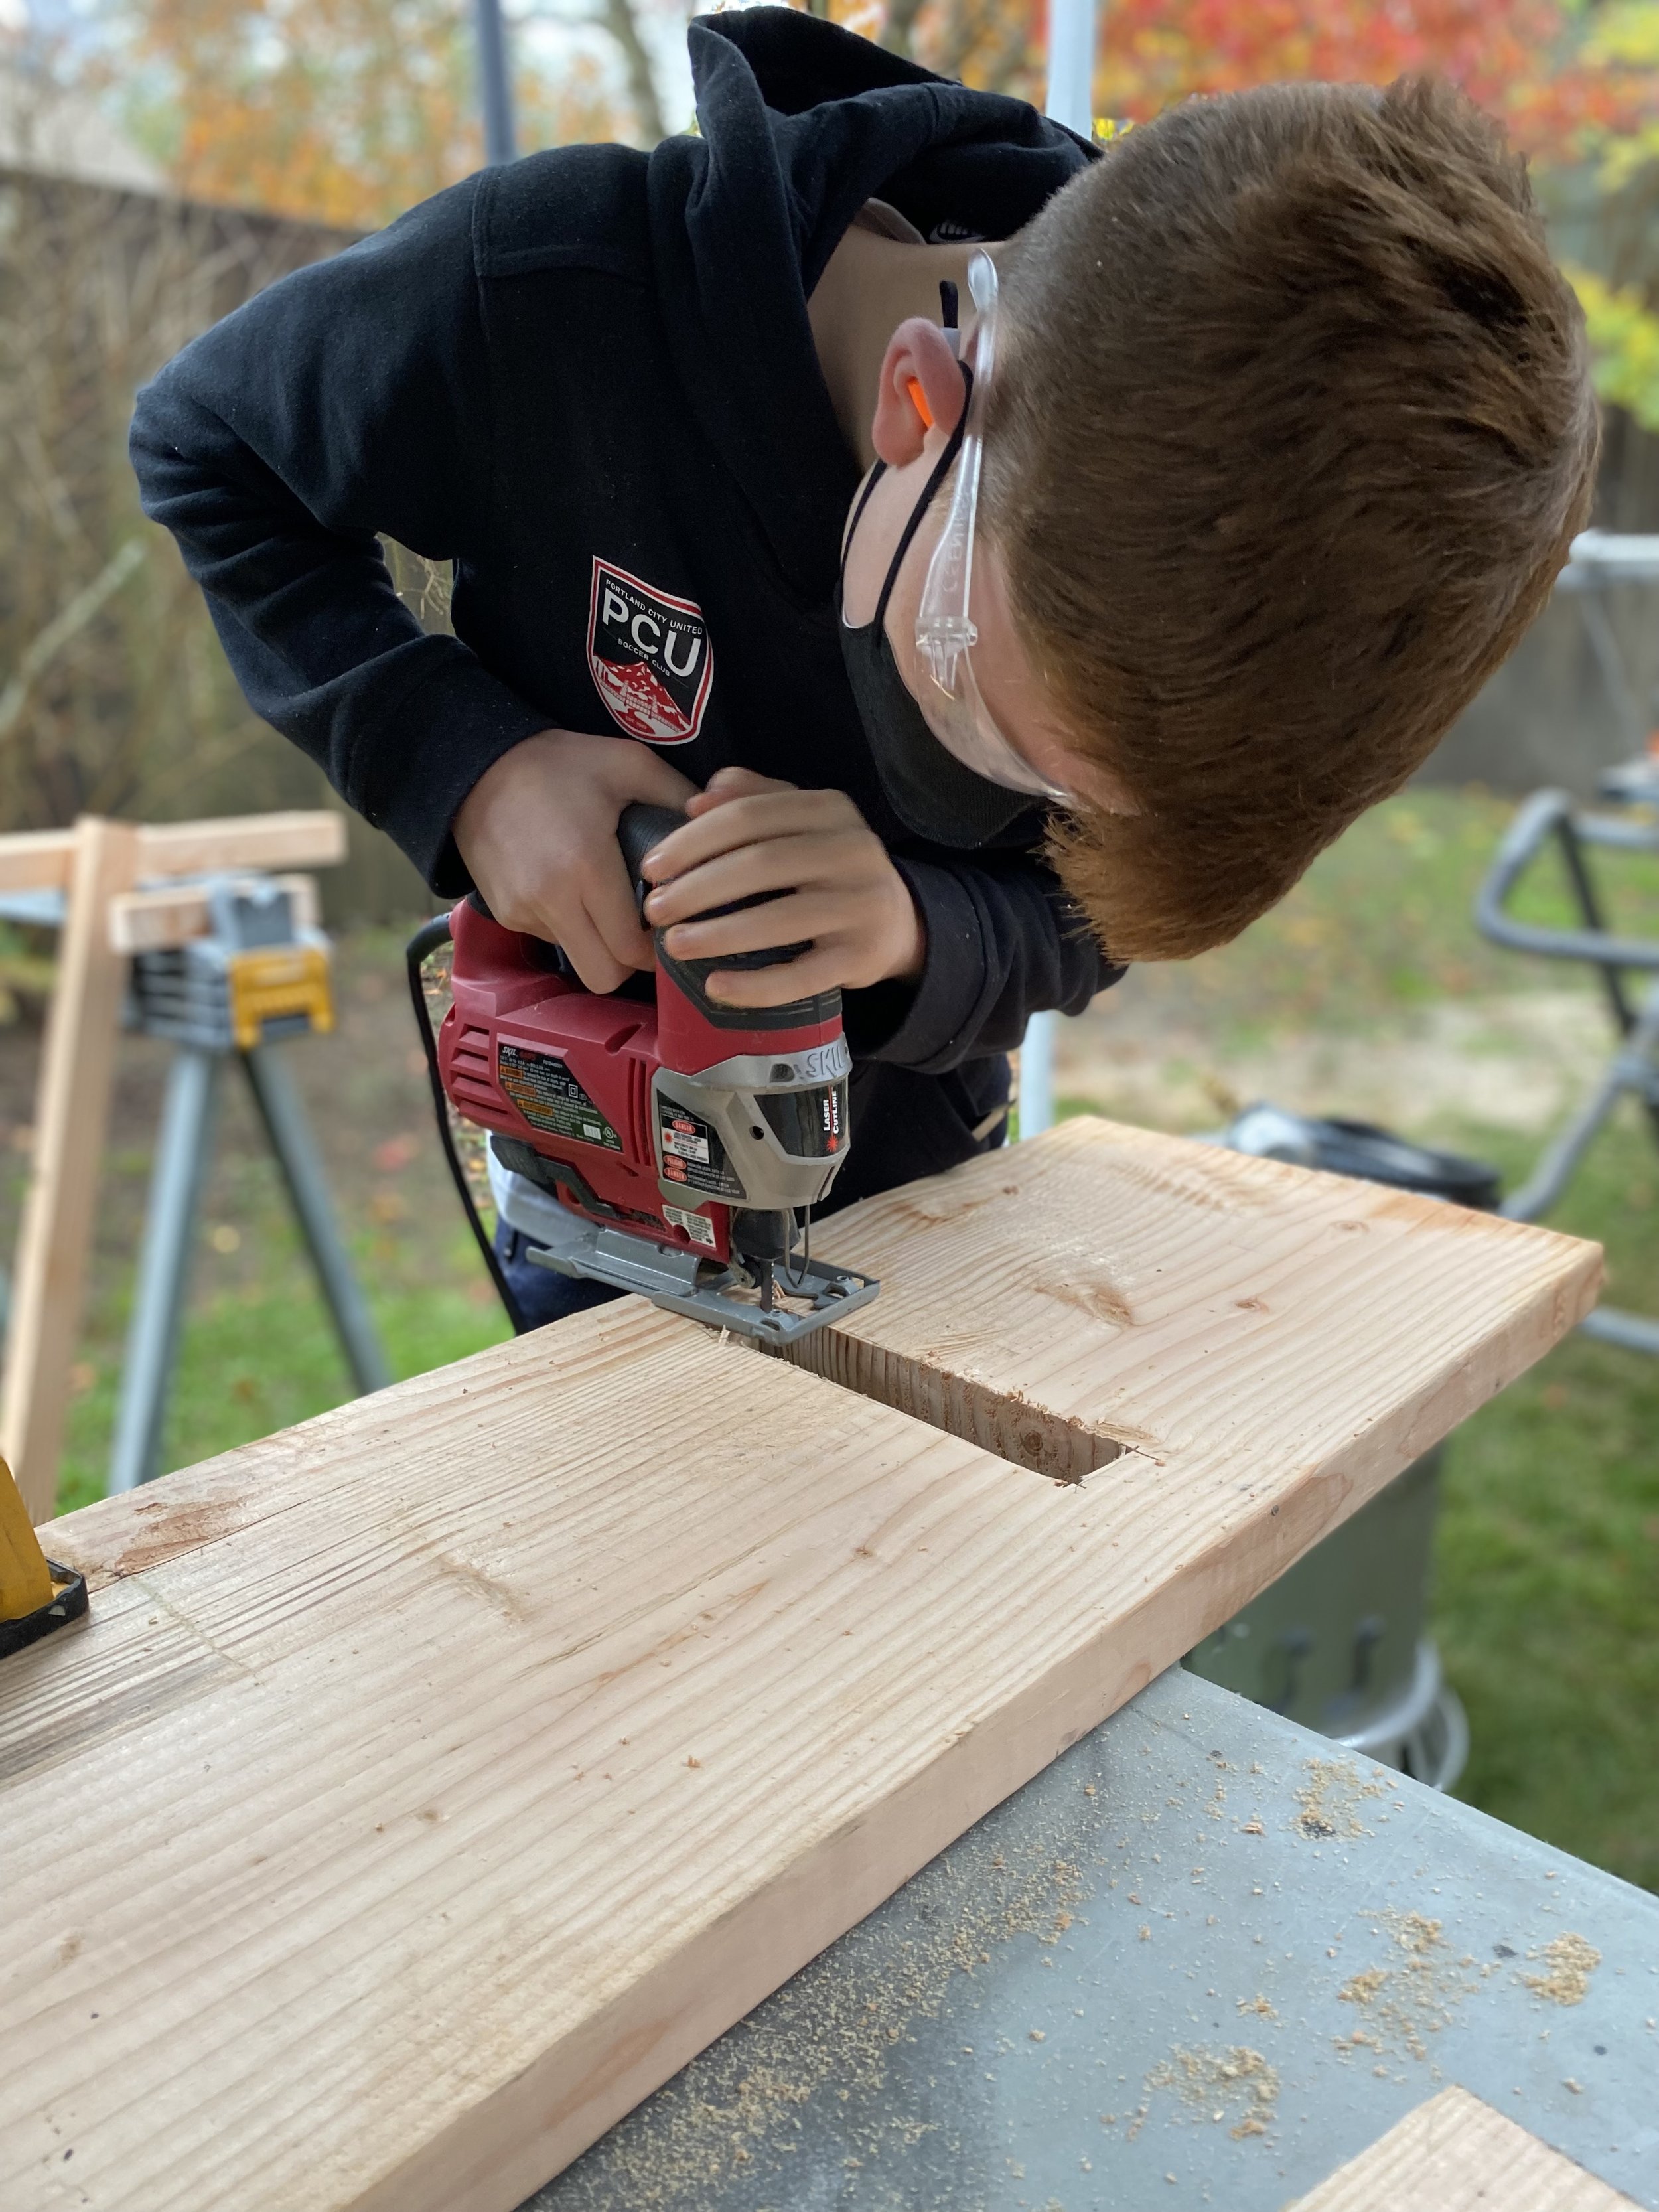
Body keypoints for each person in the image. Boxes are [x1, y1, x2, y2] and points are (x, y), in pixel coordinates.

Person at [131, 9, 1597, 1325]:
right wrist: (467, 766)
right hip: (591, 1192)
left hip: (930, 1215)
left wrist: (915, 926)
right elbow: (206, 448)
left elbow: (1083, 916)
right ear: (919, 399)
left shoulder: (1207, 556)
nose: (981, 783)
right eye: (979, 708)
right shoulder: (545, 295)